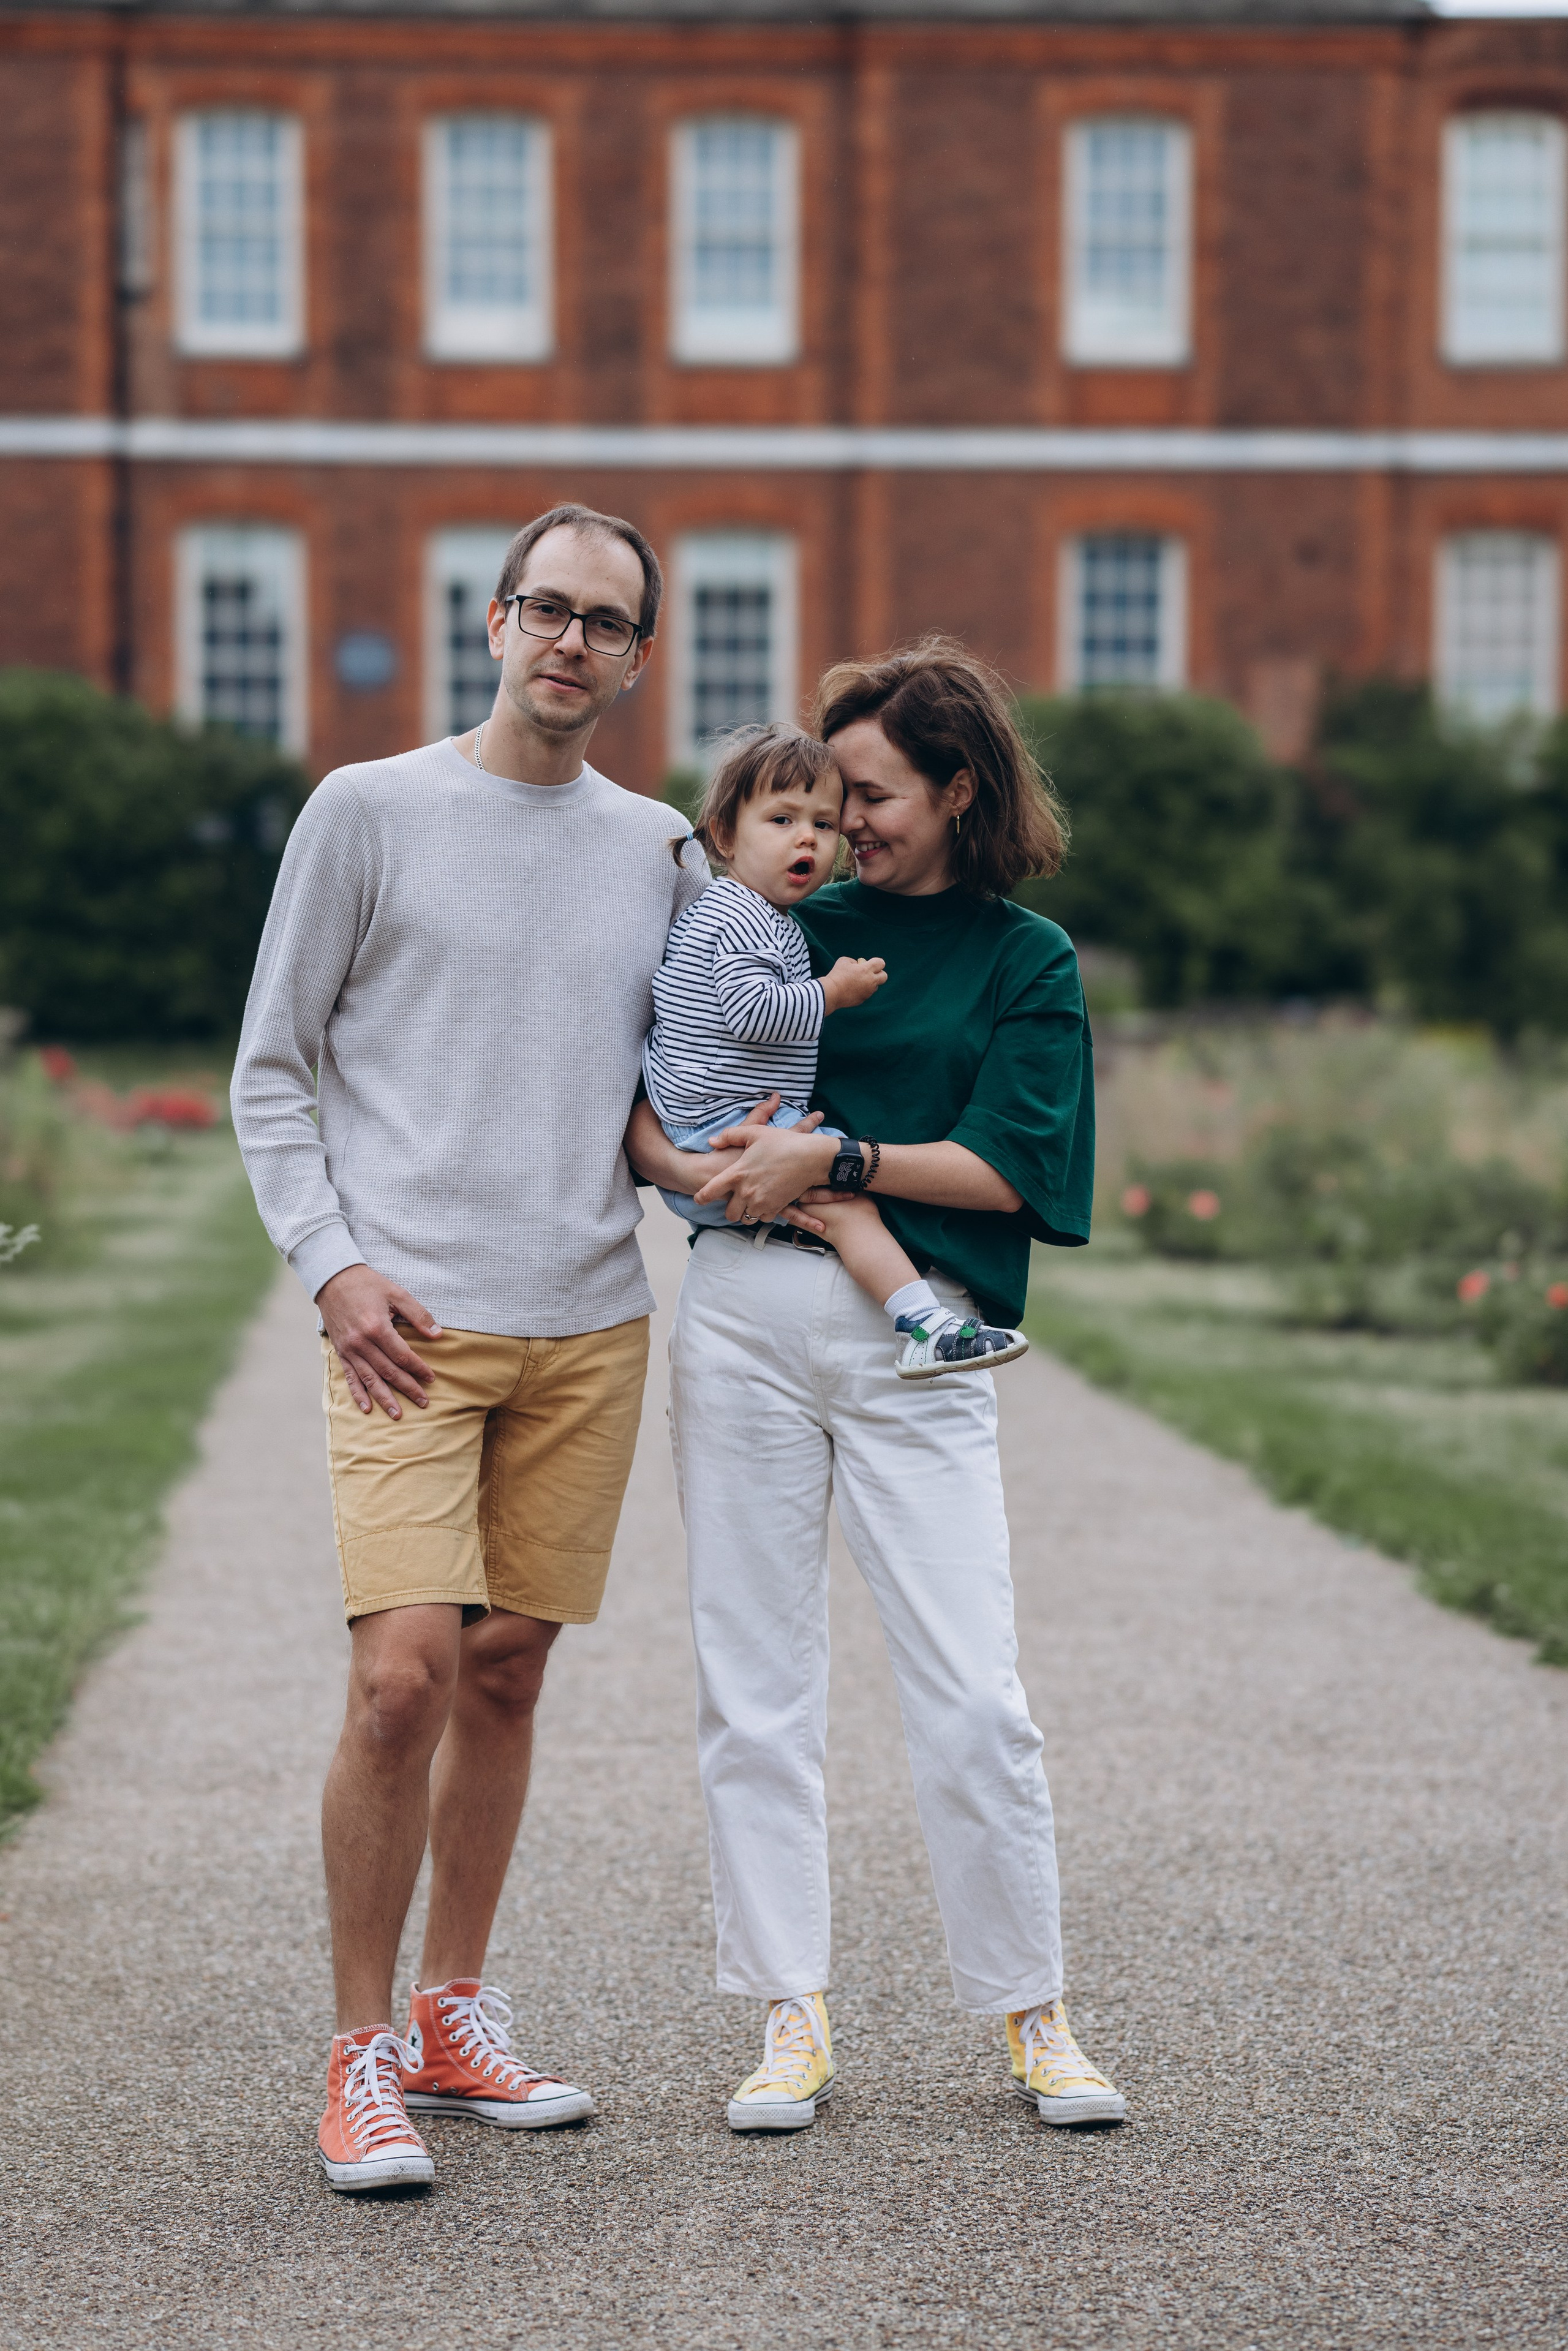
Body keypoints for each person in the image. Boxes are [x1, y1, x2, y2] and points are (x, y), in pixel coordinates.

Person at [232, 502, 706, 2192]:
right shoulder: (367, 812)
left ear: (639, 659)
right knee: (399, 1679)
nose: (572, 640)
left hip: (590, 1321)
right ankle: (358, 2051)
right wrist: (333, 1266)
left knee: (507, 1670)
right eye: (548, 608)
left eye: (608, 622)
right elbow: (271, 1068)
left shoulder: (661, 849)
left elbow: (687, 1078)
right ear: (495, 622)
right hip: (407, 1326)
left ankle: (451, 2013)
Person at [627, 639, 1126, 2134]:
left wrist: (834, 1161)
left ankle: (1033, 2013)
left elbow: (1013, 1168)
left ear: (957, 787)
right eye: (826, 796)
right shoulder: (772, 915)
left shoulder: (1023, 958)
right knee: (753, 1690)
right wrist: (682, 1165)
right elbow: (649, 1075)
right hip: (739, 1327)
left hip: (916, 1336)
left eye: (871, 793)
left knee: (973, 1694)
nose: (839, 823)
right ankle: (789, 2011)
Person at [642, 720, 1028, 1379]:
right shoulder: (739, 916)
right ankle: (925, 1324)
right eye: (783, 819)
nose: (811, 838)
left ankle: (923, 1324)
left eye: (824, 825)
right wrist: (831, 991)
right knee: (852, 1208)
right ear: (726, 835)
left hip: (708, 1132)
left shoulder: (759, 915)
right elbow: (751, 1010)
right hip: (720, 1130)